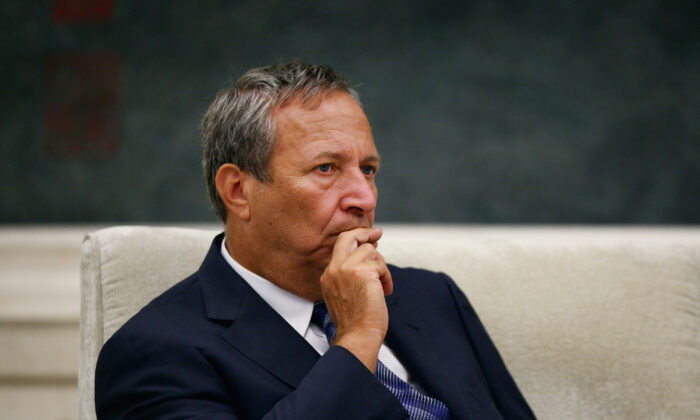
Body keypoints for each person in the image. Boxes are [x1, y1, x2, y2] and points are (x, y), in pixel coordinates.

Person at [95, 61, 535, 419]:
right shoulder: (154, 353)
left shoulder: (429, 295)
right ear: (238, 191)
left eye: (368, 169)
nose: (363, 197)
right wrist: (358, 339)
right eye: (326, 168)